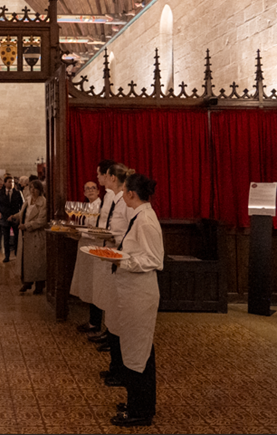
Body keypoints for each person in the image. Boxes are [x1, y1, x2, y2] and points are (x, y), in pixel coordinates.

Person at [108, 173, 163, 427]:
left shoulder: (146, 221)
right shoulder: (139, 216)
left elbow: (154, 260)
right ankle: (138, 402)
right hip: (131, 292)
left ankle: (140, 411)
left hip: (140, 294)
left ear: (131, 194)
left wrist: (120, 260)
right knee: (135, 348)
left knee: (139, 350)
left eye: (124, 189)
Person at [93, 162, 135, 365]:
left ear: (112, 178)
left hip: (120, 258)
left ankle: (118, 361)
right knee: (111, 308)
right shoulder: (117, 200)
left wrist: (109, 236)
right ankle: (113, 353)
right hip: (112, 254)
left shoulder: (124, 202)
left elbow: (123, 233)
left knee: (117, 313)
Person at [70, 180, 104, 332]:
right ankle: (93, 321)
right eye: (87, 189)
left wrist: (81, 232)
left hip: (96, 250)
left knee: (96, 286)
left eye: (93, 188)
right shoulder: (84, 208)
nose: (90, 191)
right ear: (83, 192)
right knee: (88, 286)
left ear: (98, 191)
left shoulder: (102, 207)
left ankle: (95, 323)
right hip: (84, 249)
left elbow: (100, 231)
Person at [13, 180, 48, 294]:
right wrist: (15, 216)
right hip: (26, 235)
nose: (33, 191)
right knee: (27, 260)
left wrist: (27, 226)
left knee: (37, 261)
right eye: (31, 188)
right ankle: (27, 282)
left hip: (36, 235)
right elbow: (24, 213)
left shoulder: (43, 202)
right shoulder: (28, 200)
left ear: (40, 190)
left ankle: (39, 284)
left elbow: (42, 221)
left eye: (35, 188)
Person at [0, 176, 23, 262]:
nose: (11, 183)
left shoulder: (17, 193)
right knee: (6, 238)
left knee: (17, 237)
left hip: (14, 218)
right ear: (5, 183)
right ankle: (7, 256)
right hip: (4, 218)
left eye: (12, 182)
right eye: (9, 182)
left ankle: (17, 254)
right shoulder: (0, 193)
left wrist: (18, 215)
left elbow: (21, 205)